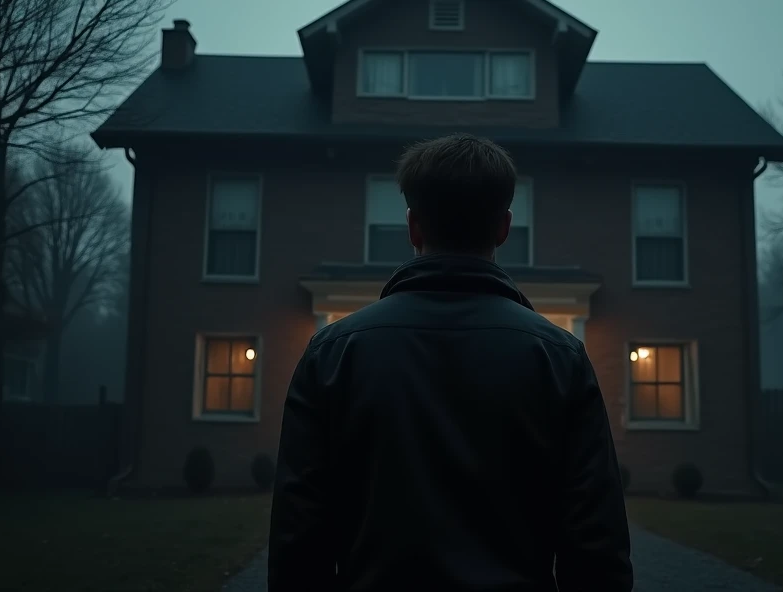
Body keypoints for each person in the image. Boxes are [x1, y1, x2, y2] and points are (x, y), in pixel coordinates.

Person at [268, 133, 633, 591]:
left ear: (412, 227)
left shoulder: (334, 353)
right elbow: (597, 548)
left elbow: (297, 542)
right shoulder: (558, 357)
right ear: (504, 227)